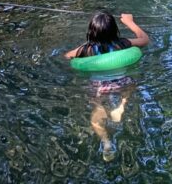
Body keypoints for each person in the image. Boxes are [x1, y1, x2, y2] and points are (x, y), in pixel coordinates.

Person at [64, 11, 150, 162]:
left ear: (91, 32)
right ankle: (122, 105)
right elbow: (144, 40)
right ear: (114, 31)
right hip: (121, 82)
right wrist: (130, 22)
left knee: (96, 113)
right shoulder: (122, 43)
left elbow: (67, 56)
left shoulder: (86, 50)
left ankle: (106, 142)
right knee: (130, 87)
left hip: (98, 87)